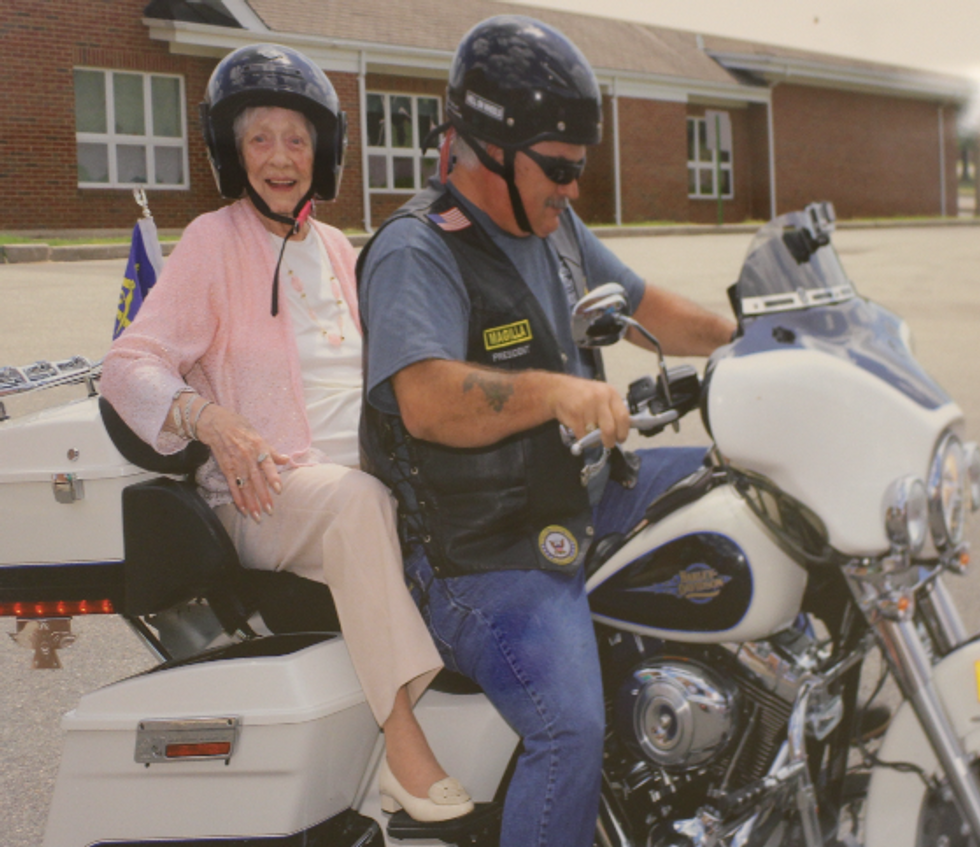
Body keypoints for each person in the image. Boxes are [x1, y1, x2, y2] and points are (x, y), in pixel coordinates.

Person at [356, 16, 737, 847]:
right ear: (490, 148)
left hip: (581, 498)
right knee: (569, 729)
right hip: (480, 551)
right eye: (559, 168)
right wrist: (555, 393)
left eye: (577, 169)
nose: (572, 188)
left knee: (748, 495)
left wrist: (749, 336)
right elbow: (423, 397)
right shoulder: (416, 251)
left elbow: (643, 303)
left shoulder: (553, 227)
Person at [100, 43, 473, 823]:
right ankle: (402, 744)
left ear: (322, 153)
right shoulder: (212, 241)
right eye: (260, 138)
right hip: (265, 494)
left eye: (296, 139)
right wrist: (208, 417)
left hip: (354, 485)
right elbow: (128, 364)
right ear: (235, 153)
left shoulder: (336, 249)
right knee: (357, 504)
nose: (280, 156)